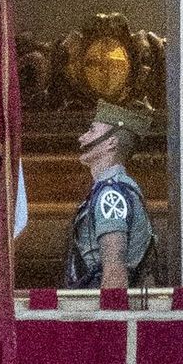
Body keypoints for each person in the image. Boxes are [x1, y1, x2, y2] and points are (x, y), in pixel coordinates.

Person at [64, 98, 157, 289]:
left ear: (111, 143)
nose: (82, 138)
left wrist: (109, 317)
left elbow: (114, 267)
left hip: (99, 305)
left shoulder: (111, 194)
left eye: (92, 130)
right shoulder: (109, 189)